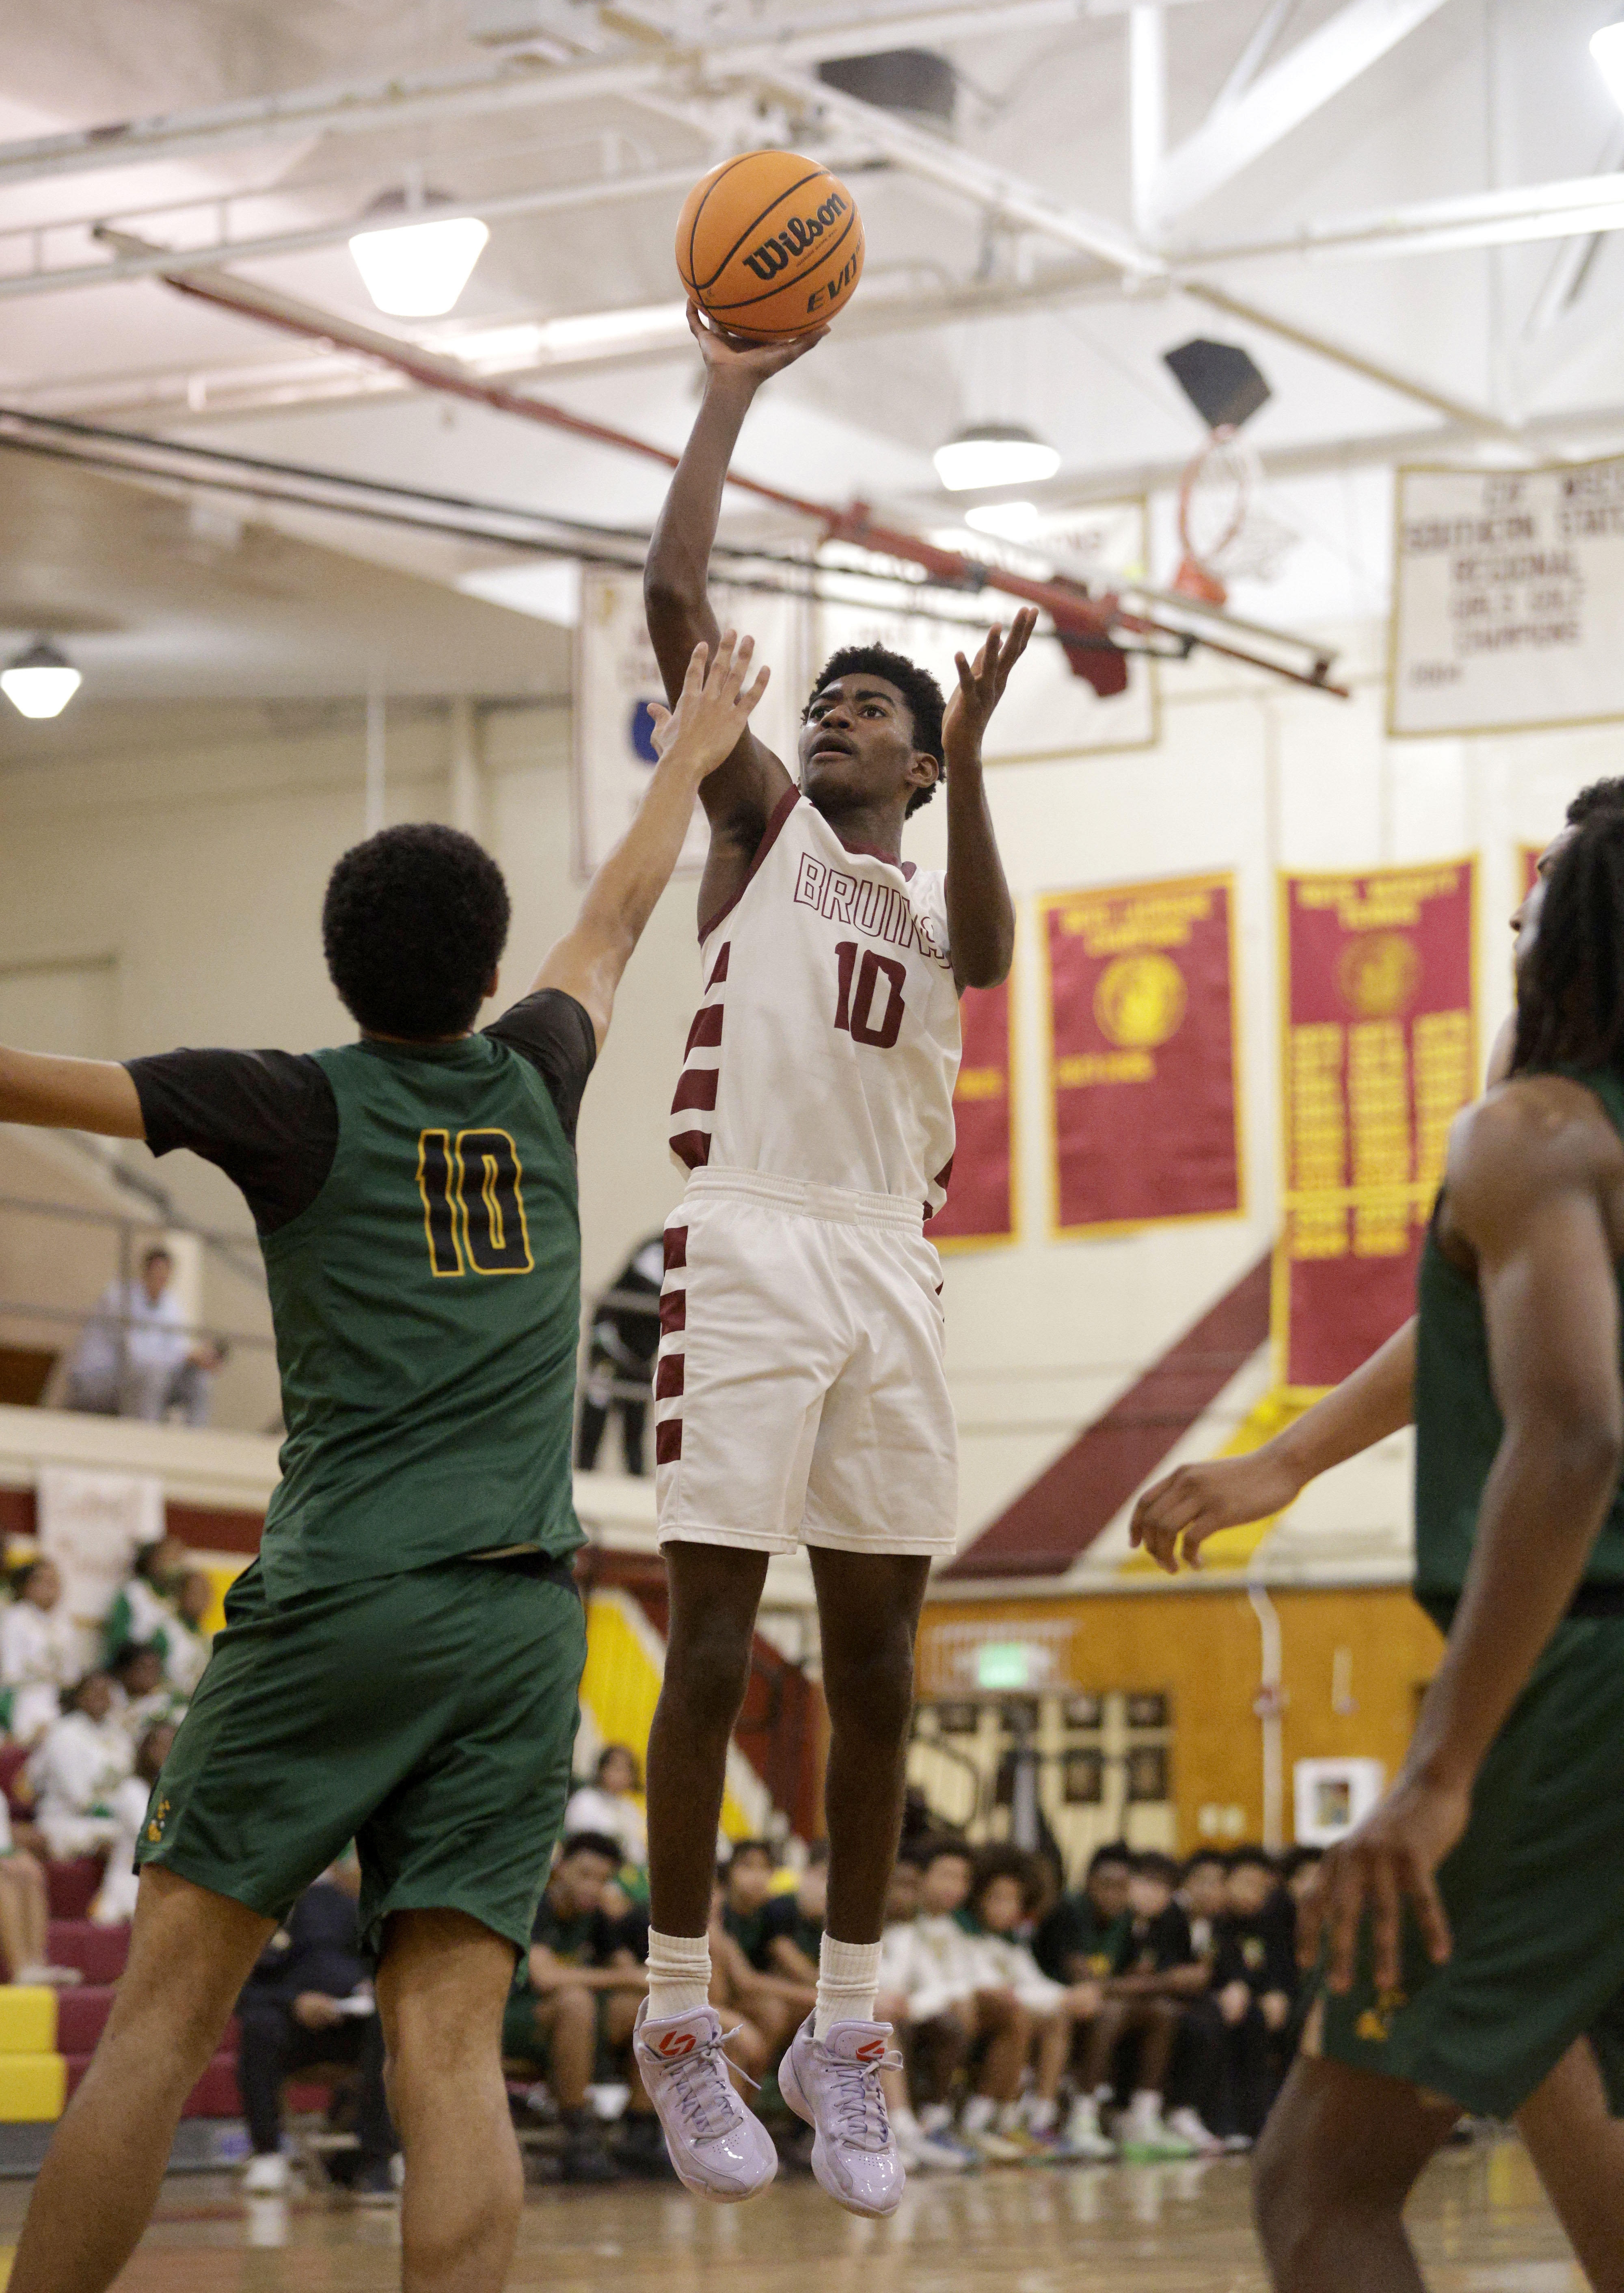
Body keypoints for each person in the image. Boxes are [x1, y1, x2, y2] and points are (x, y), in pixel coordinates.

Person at [0, 629, 771, 2293]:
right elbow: (620, 911)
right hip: (520, 1623)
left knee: (163, 2011)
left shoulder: (288, 1102)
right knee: (447, 2035)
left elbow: (22, 1079)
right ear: (486, 965)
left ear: (343, 971)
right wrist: (692, 749)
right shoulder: (541, 1068)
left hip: (346, 1594)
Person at [633, 301, 1034, 2224]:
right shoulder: (765, 834)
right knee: (713, 1644)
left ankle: (846, 2026)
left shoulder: (936, 885)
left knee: (879, 1661)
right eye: (829, 701)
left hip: (889, 1261)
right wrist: (724, 398)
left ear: (925, 755)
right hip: (748, 1241)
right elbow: (668, 584)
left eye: (874, 707)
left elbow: (997, 949)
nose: (835, 714)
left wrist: (983, 757)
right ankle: (669, 2011)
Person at [1146, 805, 1624, 2291]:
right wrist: (1285, 1455)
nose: (1509, 921)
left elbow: (1568, 1437)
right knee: (1555, 2087)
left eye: (1535, 895)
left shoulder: (1533, 1123)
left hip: (1588, 1673)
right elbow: (1502, 1312)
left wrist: (1434, 1773)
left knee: (1315, 2180)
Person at [501, 1831, 654, 2184]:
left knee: (644, 2008)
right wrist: (624, 1978)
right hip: (514, 2018)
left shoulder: (597, 1917)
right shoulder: (537, 1905)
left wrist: (643, 1979)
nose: (593, 1887)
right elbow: (545, 1978)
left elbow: (629, 1972)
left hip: (572, 2023)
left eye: (602, 1880)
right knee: (575, 2000)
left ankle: (641, 2130)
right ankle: (577, 2136)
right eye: (585, 1875)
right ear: (560, 1869)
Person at [236, 1869, 397, 2201]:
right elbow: (245, 1987)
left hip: (354, 2022)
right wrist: (295, 2000)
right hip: (291, 2025)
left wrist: (372, 1985)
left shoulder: (349, 1905)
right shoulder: (261, 1907)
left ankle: (380, 2159)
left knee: (390, 2027)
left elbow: (379, 1961)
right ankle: (268, 2152)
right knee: (258, 2026)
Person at [909, 1838, 1034, 2164]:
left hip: (943, 2007)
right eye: (947, 1875)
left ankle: (980, 2120)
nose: (956, 1886)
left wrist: (981, 1992)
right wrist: (963, 1995)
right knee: (961, 2015)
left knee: (1013, 2014)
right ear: (921, 1877)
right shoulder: (906, 1917)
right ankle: (927, 2121)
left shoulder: (953, 1926)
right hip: (908, 2008)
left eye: (963, 1878)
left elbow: (966, 1974)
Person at [64, 1248, 222, 1426]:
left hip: (138, 1380)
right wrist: (185, 1356)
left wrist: (197, 1359)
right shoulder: (120, 1297)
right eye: (157, 1273)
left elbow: (178, 1347)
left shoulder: (170, 1303)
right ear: (146, 1272)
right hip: (99, 1379)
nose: (161, 1279)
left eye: (165, 1275)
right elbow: (137, 1357)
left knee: (198, 1378)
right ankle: (148, 1441)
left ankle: (196, 1442)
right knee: (153, 1375)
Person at [575, 1236, 664, 1475]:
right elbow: (655, 1295)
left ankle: (637, 1489)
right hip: (610, 1347)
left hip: (638, 1358)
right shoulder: (659, 1249)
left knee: (635, 1432)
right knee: (594, 1424)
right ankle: (582, 1483)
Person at [25, 1674, 133, 1861]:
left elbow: (128, 1780)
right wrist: (123, 1810)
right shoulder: (64, 1733)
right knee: (125, 1843)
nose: (100, 1697)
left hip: (110, 1818)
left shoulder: (120, 1735)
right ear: (80, 1696)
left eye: (106, 1692)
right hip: (67, 1820)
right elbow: (78, 1797)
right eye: (94, 1691)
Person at [90, 1723, 175, 1928]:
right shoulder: (132, 1789)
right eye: (160, 1746)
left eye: (174, 1745)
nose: (167, 1752)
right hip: (133, 1881)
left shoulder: (183, 1791)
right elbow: (155, 1836)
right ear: (146, 1751)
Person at [1, 1561, 80, 1746]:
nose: (51, 1588)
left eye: (55, 1582)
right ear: (26, 1587)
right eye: (44, 1581)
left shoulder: (65, 1624)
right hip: (23, 1698)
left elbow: (71, 1675)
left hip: (58, 1699)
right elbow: (9, 1675)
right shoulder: (15, 1619)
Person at [102, 1540, 187, 1672]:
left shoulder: (177, 1601)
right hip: (130, 1669)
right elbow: (117, 1639)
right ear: (150, 1560)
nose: (172, 1563)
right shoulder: (133, 1593)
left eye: (177, 1558)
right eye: (166, 1556)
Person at [562, 1744, 646, 1874]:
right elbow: (578, 1845)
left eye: (627, 1770)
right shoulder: (585, 1800)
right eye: (617, 1768)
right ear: (602, 1769)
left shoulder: (630, 1809)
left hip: (626, 1876)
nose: (622, 1776)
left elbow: (638, 1853)